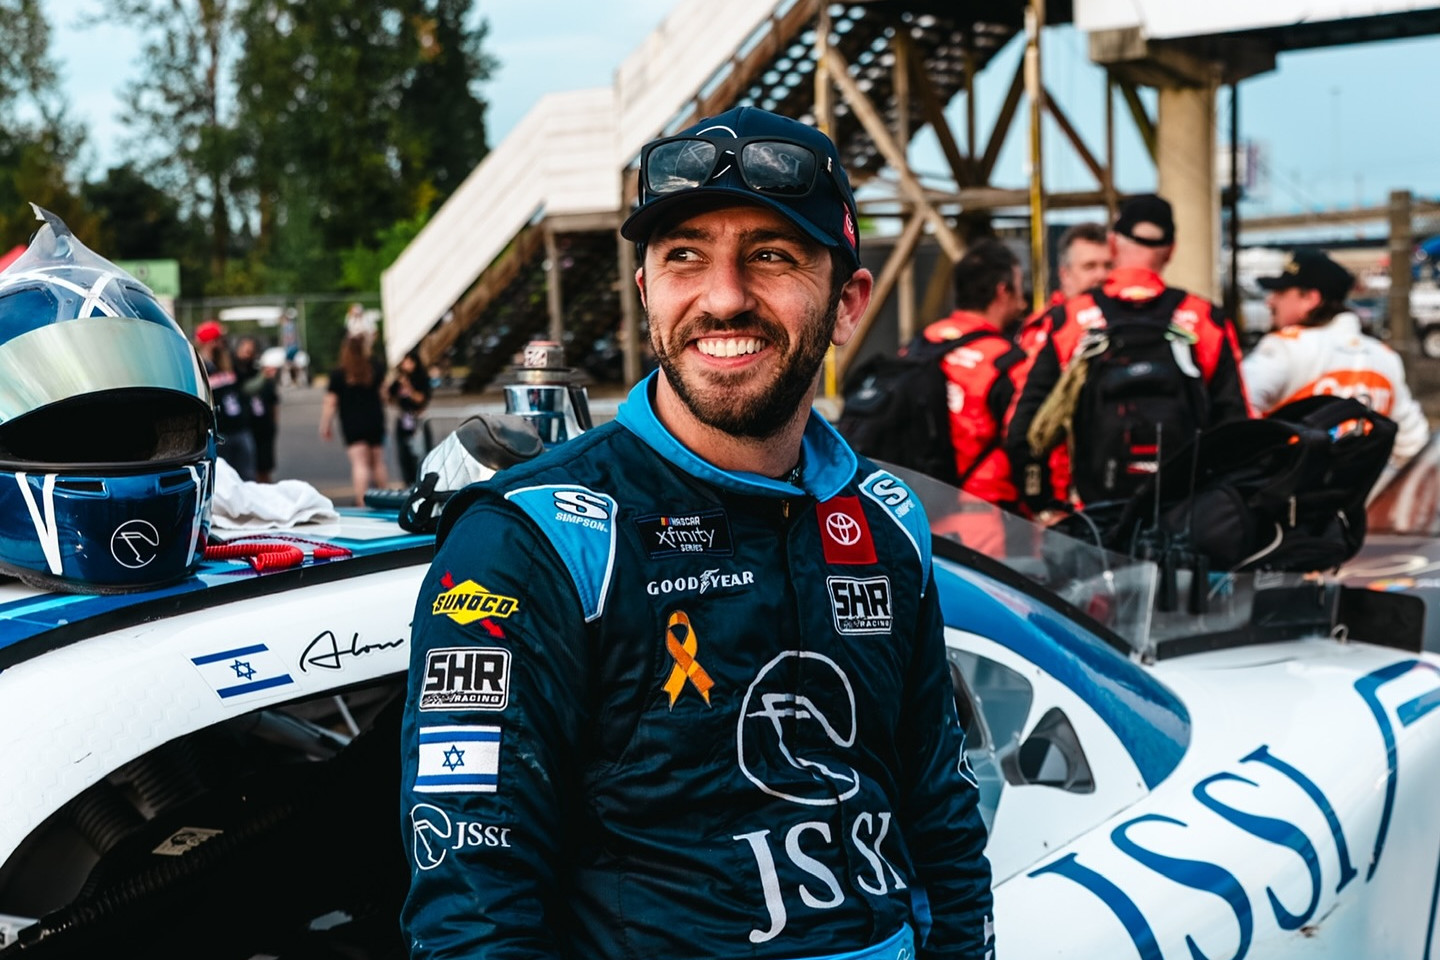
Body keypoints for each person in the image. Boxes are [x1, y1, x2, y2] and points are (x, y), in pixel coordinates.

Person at [400, 105, 994, 960]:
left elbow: (940, 814)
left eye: (772, 255)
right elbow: (473, 910)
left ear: (847, 302)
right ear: (646, 290)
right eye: (684, 256)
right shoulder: (535, 539)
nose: (723, 297)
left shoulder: (887, 519)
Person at [1006, 193, 1251, 516]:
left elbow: (1023, 431)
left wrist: (1047, 507)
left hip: (1093, 515)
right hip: (1183, 515)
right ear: (1172, 250)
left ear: (1112, 244)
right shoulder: (1205, 319)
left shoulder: (1069, 320)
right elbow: (1238, 430)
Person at [1243, 249, 1429, 477]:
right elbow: (1413, 445)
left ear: (1310, 299)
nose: (1270, 300)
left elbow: (1236, 415)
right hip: (1364, 502)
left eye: (1280, 292)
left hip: (1289, 501)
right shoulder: (1384, 356)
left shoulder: (1284, 347)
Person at [920, 238, 1028, 503]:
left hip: (918, 508)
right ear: (1003, 291)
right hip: (986, 515)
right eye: (1019, 287)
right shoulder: (1008, 360)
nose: (1023, 301)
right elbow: (1027, 443)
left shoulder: (919, 345)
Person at [319, 331, 389, 505]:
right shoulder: (375, 367)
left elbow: (331, 402)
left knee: (360, 464)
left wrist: (325, 424)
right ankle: (387, 499)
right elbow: (384, 395)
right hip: (374, 419)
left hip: (352, 422)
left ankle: (362, 501)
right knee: (377, 462)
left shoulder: (339, 373)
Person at [195, 319, 258, 482]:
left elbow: (248, 378)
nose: (224, 342)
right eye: (220, 339)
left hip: (240, 428)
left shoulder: (228, 362)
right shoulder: (200, 366)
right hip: (220, 432)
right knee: (224, 481)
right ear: (211, 342)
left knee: (247, 477)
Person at [386, 347, 433, 486]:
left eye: (409, 361)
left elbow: (421, 399)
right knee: (404, 454)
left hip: (417, 420)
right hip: (403, 419)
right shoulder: (399, 380)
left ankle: (422, 482)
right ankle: (408, 482)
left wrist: (409, 388)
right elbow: (390, 398)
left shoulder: (421, 378)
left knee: (421, 452)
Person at [248, 346, 286, 483]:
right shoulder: (249, 381)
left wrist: (273, 425)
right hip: (253, 428)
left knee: (263, 468)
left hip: (264, 428)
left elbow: (273, 405)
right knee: (255, 468)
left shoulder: (268, 385)